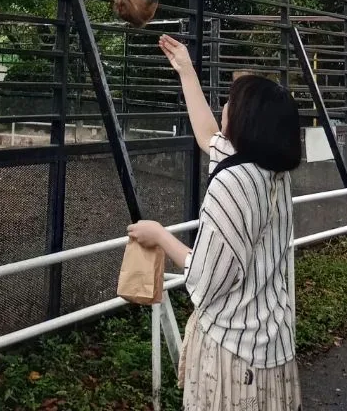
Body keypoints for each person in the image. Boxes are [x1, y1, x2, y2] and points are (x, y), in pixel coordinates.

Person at [128, 33, 303, 410]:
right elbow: (209, 138)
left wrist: (158, 235)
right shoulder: (272, 171)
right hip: (274, 343)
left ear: (246, 120)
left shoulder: (233, 182)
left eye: (230, 102)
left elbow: (205, 279)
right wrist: (186, 71)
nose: (224, 106)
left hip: (235, 355)